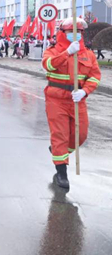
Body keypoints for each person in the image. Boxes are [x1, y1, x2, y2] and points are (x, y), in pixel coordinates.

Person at [42, 17, 101, 189]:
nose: (75, 34)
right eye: (70, 32)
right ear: (62, 33)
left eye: (78, 32)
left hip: (77, 100)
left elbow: (94, 76)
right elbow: (48, 65)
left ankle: (58, 151)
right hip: (56, 99)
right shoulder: (52, 51)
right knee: (60, 135)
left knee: (80, 136)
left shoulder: (88, 54)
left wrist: (84, 91)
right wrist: (67, 52)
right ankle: (61, 172)